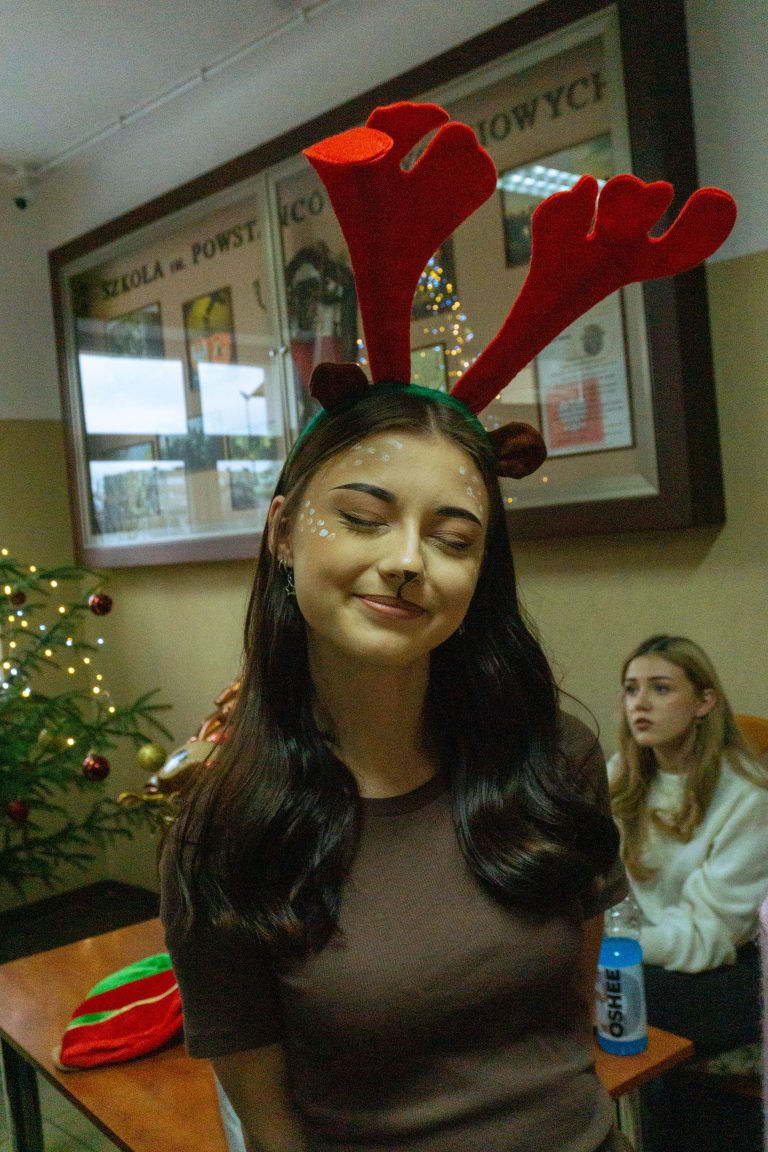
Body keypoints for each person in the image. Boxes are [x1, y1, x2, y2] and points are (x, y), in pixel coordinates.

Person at [159, 102, 735, 1152]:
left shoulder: (552, 756)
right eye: (362, 518)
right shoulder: (228, 826)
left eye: (453, 536)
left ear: (482, 570)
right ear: (283, 533)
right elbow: (268, 1123)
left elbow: (570, 1035)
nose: (408, 560)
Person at [608, 634, 768, 1152]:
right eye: (631, 689)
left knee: (608, 997)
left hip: (730, 971)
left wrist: (612, 948)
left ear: (704, 702)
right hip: (644, 953)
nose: (641, 703)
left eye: (660, 688)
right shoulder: (620, 775)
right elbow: (590, 882)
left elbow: (708, 938)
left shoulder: (746, 794)